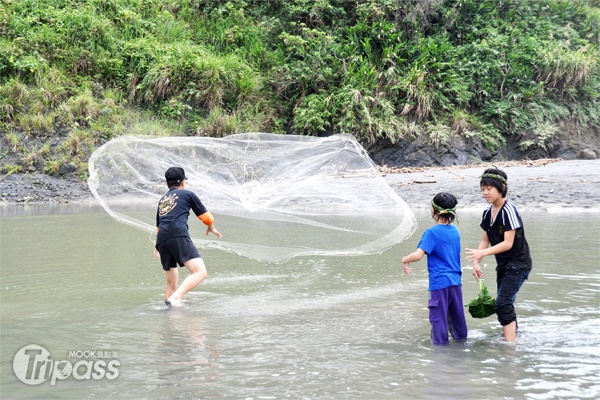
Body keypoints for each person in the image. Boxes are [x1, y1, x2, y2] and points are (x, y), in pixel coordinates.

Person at [465, 167, 532, 342]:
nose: (485, 193)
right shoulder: (488, 213)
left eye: (489, 189)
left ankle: (510, 347)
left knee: (502, 304)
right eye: (483, 189)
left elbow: (508, 243)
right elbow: (485, 239)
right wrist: (476, 262)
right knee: (505, 303)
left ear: (501, 188)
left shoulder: (508, 210)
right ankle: (512, 337)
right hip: (503, 265)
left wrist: (482, 253)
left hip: (519, 263)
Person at [401, 192, 468, 345]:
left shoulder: (431, 233)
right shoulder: (455, 231)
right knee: (458, 320)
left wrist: (404, 260)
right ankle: (462, 350)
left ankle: (441, 356)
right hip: (456, 282)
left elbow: (418, 255)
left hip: (439, 283)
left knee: (438, 321)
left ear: (434, 211)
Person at [154, 167, 222, 307]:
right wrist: (211, 227)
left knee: (171, 283)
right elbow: (207, 217)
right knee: (200, 272)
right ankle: (176, 298)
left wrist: (157, 245)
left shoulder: (163, 200)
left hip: (162, 240)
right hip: (177, 234)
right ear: (183, 182)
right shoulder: (188, 194)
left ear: (167, 184)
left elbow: (159, 226)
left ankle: (168, 314)